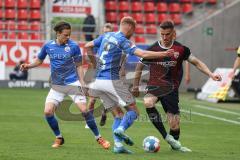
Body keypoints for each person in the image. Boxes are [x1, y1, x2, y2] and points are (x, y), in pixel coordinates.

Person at [85, 16, 180, 154]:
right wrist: (164, 53)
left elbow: (88, 46)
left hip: (98, 82)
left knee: (118, 115)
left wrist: (95, 64)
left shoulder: (107, 35)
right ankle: (121, 130)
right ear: (129, 27)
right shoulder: (123, 41)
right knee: (134, 112)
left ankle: (118, 146)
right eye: (134, 30)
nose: (133, 33)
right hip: (111, 81)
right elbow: (142, 53)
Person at [132, 20, 222, 152]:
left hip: (171, 89)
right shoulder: (153, 49)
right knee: (147, 101)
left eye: (167, 34)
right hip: (155, 85)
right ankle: (166, 136)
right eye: (162, 34)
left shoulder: (181, 49)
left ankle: (174, 145)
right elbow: (139, 65)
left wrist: (210, 74)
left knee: (174, 125)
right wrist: (135, 86)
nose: (164, 37)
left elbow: (196, 62)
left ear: (173, 33)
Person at [20, 21, 110, 149]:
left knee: (84, 110)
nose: (68, 37)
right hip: (57, 86)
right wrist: (28, 66)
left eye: (69, 35)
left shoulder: (73, 46)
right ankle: (59, 137)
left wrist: (83, 83)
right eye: (65, 35)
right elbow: (39, 60)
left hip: (72, 83)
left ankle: (99, 138)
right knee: (48, 112)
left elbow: (79, 66)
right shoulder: (48, 46)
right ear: (58, 34)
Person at [85, 23, 117, 128]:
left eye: (108, 32)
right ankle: (89, 121)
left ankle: (104, 112)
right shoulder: (100, 40)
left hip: (108, 74)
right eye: (104, 32)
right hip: (97, 73)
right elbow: (89, 50)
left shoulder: (116, 42)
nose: (106, 34)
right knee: (92, 99)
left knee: (108, 99)